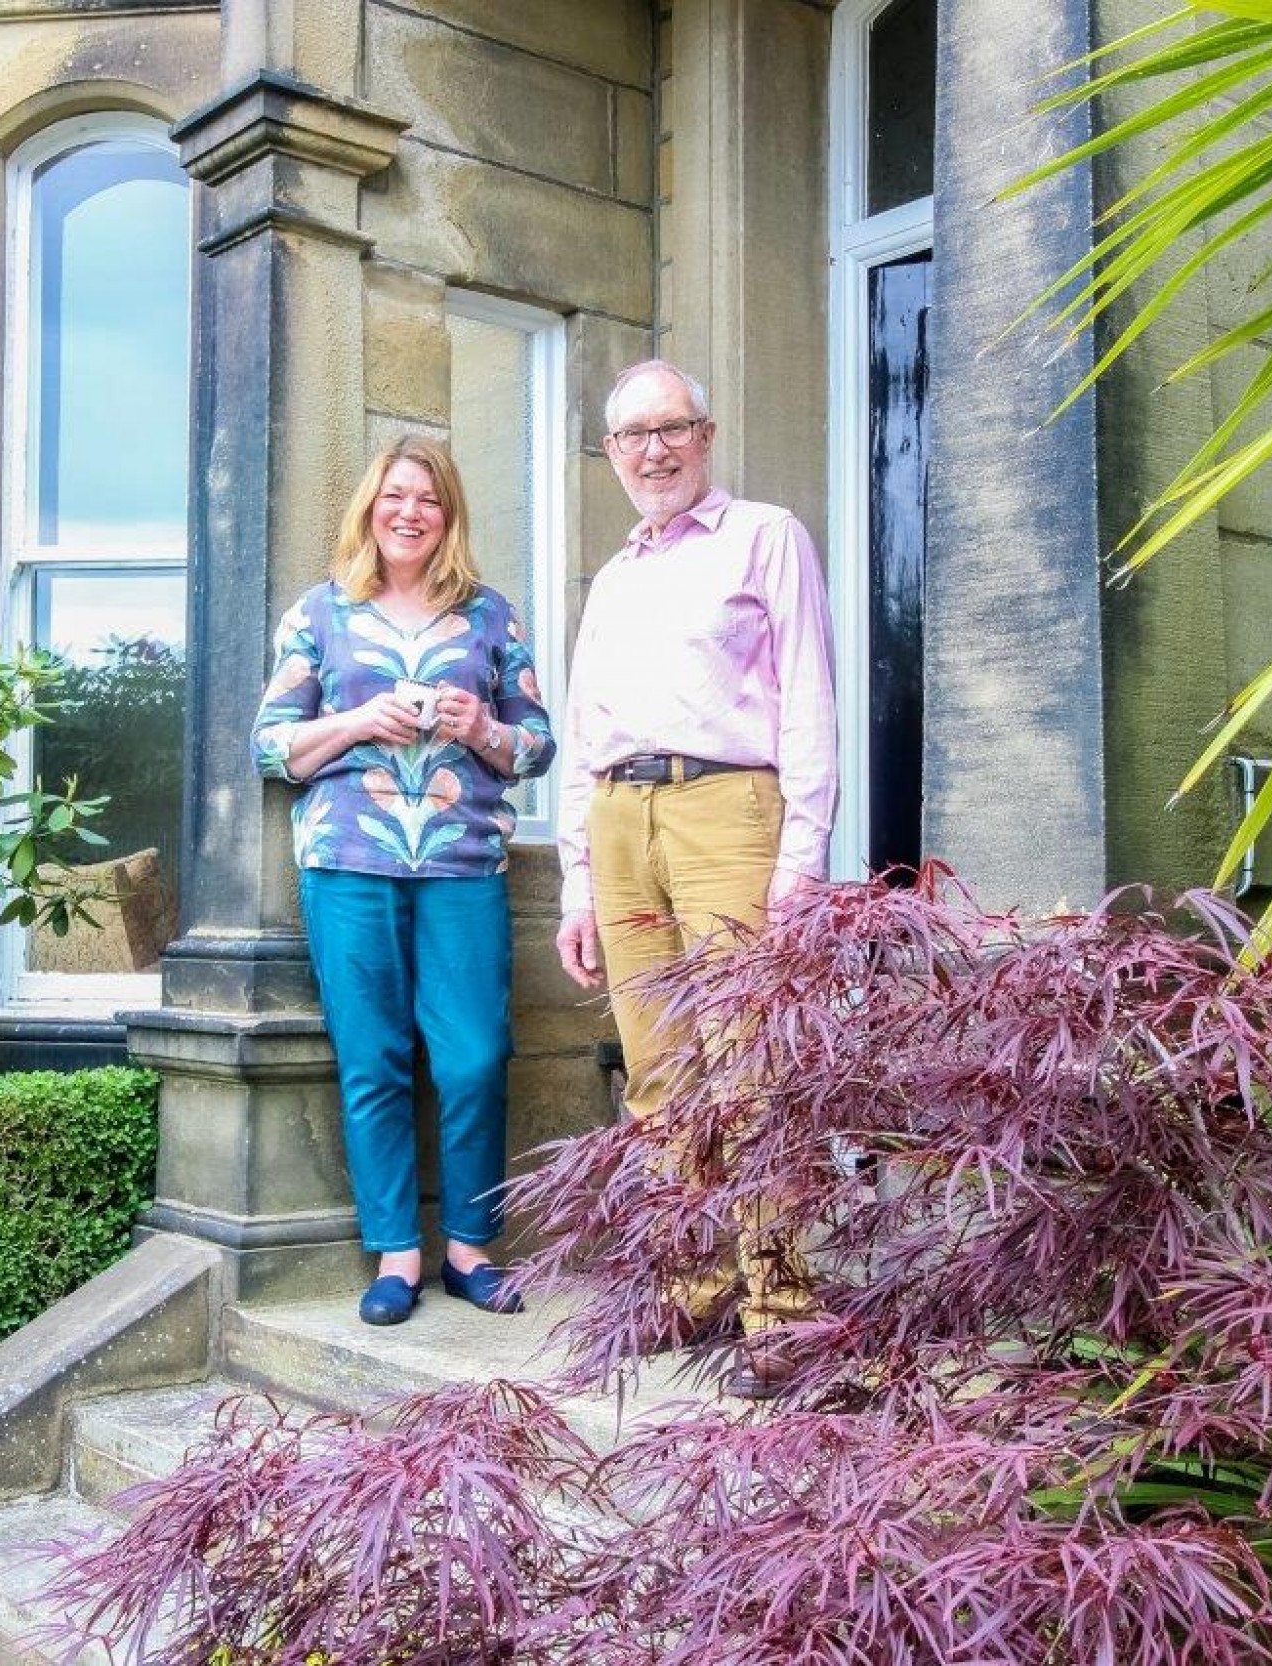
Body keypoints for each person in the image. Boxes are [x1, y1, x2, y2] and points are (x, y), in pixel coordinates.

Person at [552, 359, 839, 1399]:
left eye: (670, 428)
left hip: (729, 811)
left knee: (750, 1066)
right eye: (631, 436)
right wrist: (579, 881)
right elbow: (583, 726)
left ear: (705, 434)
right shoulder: (616, 574)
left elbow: (808, 696)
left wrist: (801, 860)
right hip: (619, 817)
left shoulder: (764, 535)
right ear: (611, 454)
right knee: (662, 1074)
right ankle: (697, 1280)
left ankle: (785, 1308)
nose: (653, 450)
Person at [253, 436, 557, 1327]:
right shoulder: (320, 615)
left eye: (427, 498)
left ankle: (471, 1247)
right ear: (370, 509)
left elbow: (538, 743)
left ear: (449, 513)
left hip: (463, 863)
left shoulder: (492, 616)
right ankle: (396, 1252)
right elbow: (271, 746)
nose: (410, 512)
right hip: (350, 861)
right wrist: (353, 721)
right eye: (395, 497)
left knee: (474, 1055)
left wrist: (480, 727)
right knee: (372, 1060)